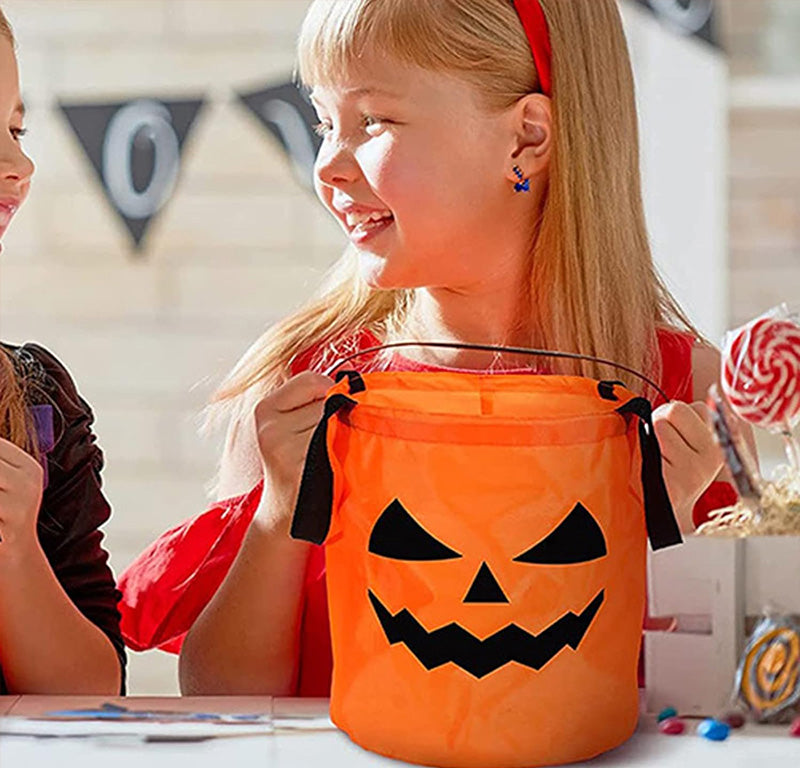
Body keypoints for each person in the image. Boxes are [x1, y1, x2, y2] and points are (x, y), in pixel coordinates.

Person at [119, 0, 751, 697]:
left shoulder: (688, 394)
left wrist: (674, 529)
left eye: (373, 121)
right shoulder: (303, 388)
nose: (327, 164)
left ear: (526, 140)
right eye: (324, 122)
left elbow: (716, 705)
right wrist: (280, 512)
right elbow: (223, 698)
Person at [0, 8, 125, 694]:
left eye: (16, 129)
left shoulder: (37, 400)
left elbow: (97, 690)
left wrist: (16, 551)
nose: (21, 164)